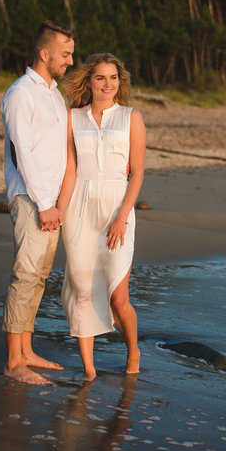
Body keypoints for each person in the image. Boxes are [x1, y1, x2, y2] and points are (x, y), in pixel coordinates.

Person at [57, 52, 146, 380]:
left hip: (116, 208)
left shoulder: (130, 117)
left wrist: (122, 216)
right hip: (80, 205)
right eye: (100, 78)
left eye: (113, 78)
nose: (108, 84)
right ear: (89, 82)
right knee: (81, 287)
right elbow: (70, 169)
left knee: (118, 296)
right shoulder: (73, 118)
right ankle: (90, 370)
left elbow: (136, 173)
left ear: (119, 82)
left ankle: (133, 351)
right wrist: (59, 212)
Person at [0, 20, 76, 385]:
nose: (70, 61)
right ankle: (14, 362)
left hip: (50, 202)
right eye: (65, 54)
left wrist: (59, 202)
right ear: (44, 53)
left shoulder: (54, 94)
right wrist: (45, 203)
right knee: (25, 275)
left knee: (40, 276)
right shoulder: (20, 94)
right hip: (31, 198)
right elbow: (22, 154)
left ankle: (27, 350)